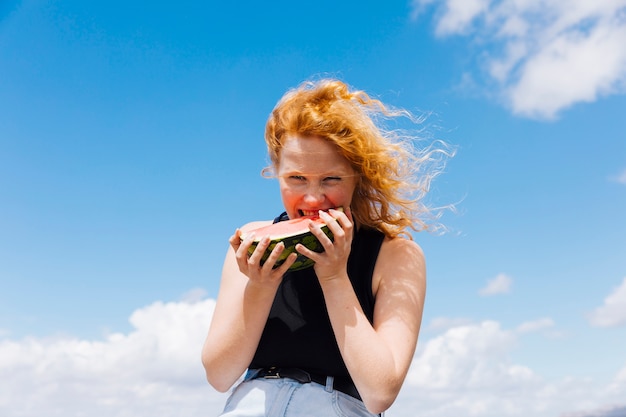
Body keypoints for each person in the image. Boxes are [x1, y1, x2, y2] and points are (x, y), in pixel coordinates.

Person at [202, 78, 452, 417]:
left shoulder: (397, 256)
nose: (313, 199)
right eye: (296, 179)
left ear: (358, 175)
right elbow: (219, 376)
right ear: (275, 173)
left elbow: (380, 393)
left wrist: (335, 278)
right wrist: (261, 286)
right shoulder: (251, 243)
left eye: (331, 180)